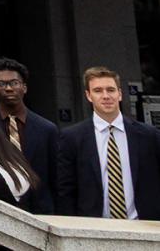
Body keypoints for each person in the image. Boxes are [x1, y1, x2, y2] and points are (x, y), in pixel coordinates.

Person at [56, 65, 160, 220]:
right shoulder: (72, 138)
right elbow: (66, 190)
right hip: (94, 228)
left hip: (145, 226)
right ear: (88, 96)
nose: (106, 96)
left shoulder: (149, 135)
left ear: (120, 94)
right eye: (98, 91)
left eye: (111, 90)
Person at [0, 57, 58, 214]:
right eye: (2, 84)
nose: (9, 88)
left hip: (40, 213)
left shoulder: (47, 129)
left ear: (24, 87)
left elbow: (56, 179)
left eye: (14, 83)